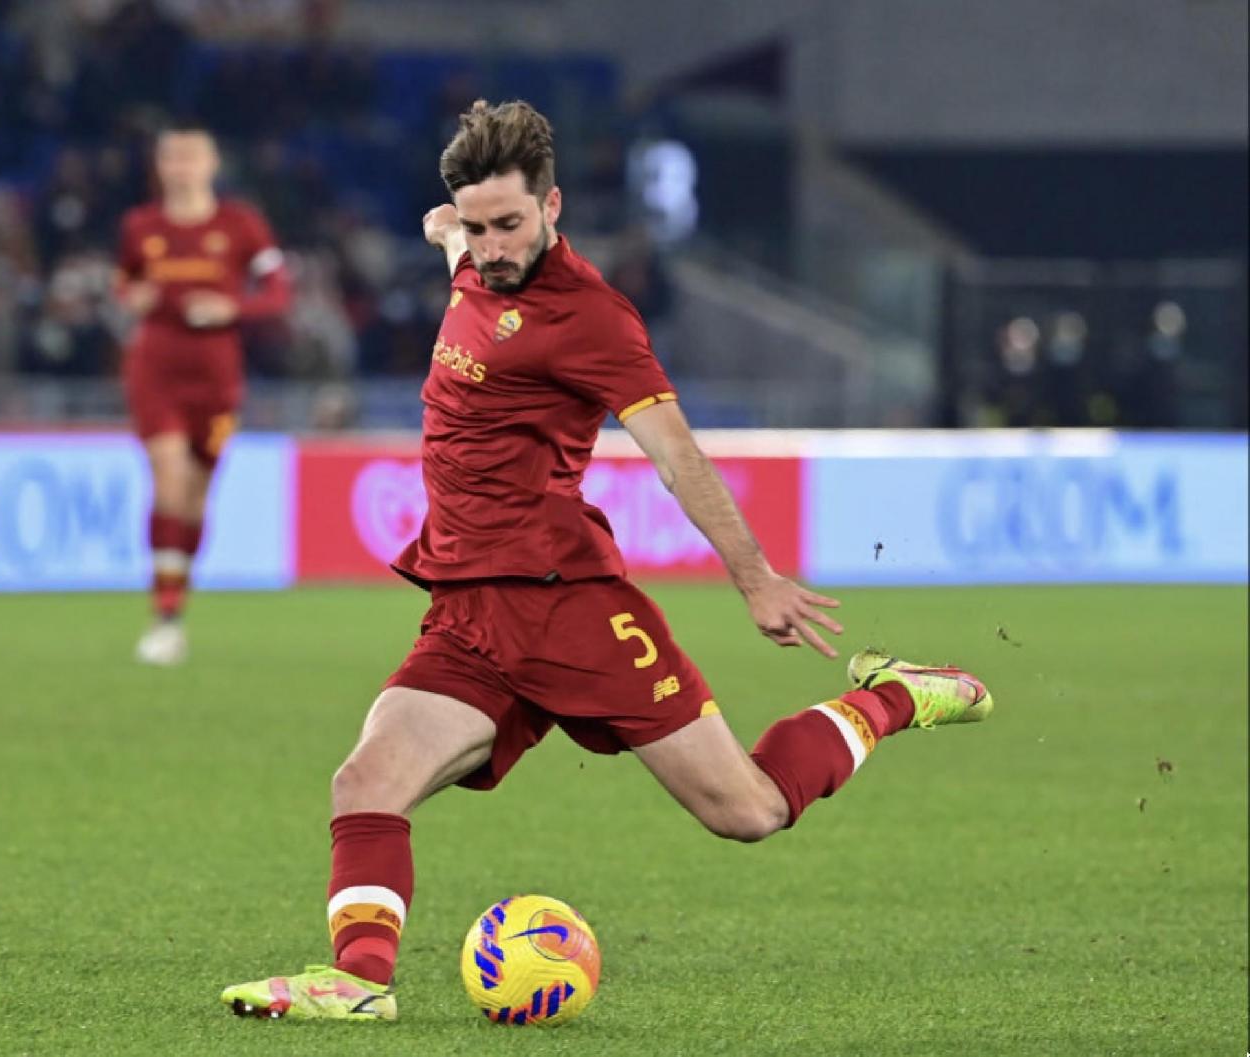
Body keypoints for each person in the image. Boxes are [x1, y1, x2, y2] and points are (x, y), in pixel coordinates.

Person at [219, 100, 994, 1021]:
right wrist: (450, 230)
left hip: (565, 606)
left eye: (510, 223)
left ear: (552, 208)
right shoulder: (470, 257)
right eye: (476, 225)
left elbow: (677, 456)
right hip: (468, 611)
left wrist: (757, 579)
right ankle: (359, 983)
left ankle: (898, 694)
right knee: (365, 780)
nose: (492, 244)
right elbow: (451, 241)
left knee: (746, 810)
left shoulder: (592, 317)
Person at [116, 124, 291, 665]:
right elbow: (123, 283)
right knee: (168, 480)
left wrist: (232, 309)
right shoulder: (140, 226)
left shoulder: (240, 225)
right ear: (160, 165)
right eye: (172, 156)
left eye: (192, 156)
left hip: (216, 379)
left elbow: (281, 291)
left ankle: (176, 600)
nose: (182, 166)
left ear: (212, 164)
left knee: (194, 496)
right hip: (156, 370)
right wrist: (133, 297)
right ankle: (164, 615)